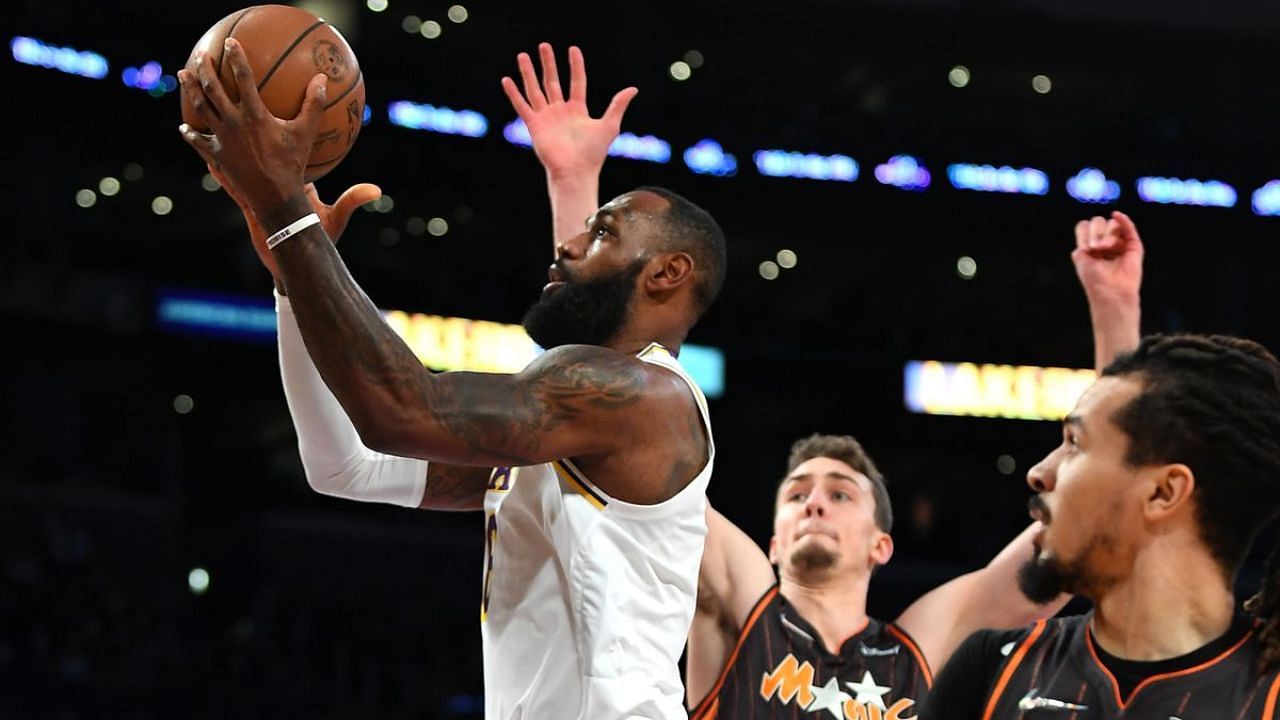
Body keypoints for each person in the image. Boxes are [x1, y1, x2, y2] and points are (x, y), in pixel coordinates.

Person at [499, 46, 1127, 720]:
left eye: (839, 493)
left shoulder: (922, 646)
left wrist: (1115, 314)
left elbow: (1079, 528)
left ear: (880, 544)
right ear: (771, 541)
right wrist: (575, 185)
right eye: (797, 494)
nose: (814, 504)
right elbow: (600, 407)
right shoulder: (743, 605)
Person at [176, 38, 727, 720]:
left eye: (603, 232)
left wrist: (289, 212)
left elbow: (405, 408)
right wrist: (292, 282)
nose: (569, 244)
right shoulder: (577, 435)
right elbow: (345, 466)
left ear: (668, 273)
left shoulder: (644, 396)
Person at [920, 231, 1280, 717]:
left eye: (1073, 444)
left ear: (1164, 492)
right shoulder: (991, 670)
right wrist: (1114, 317)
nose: (1038, 473)